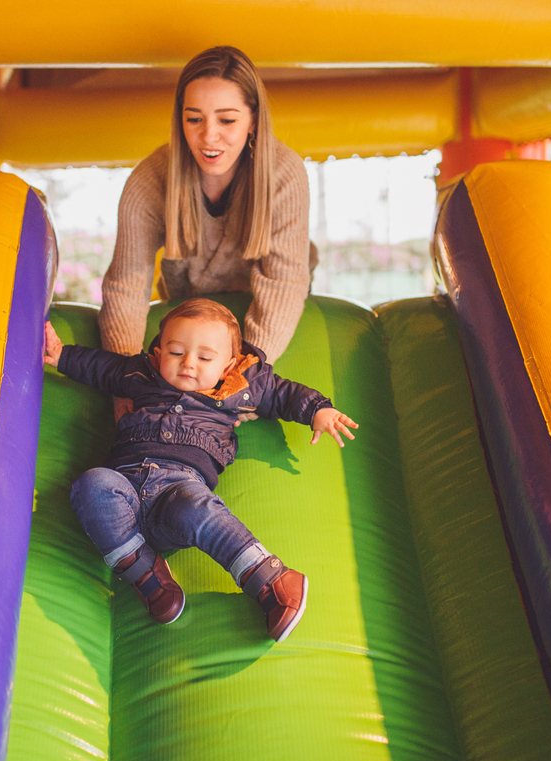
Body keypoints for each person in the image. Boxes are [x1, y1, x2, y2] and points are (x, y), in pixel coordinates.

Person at [43, 298, 358, 642]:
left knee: (197, 509)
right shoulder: (142, 373)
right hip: (125, 486)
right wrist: (61, 355)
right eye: (176, 352)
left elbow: (283, 394)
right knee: (92, 484)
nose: (188, 364)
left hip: (178, 491)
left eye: (204, 358)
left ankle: (268, 578)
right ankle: (146, 575)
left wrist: (318, 411)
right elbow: (103, 368)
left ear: (229, 365)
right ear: (160, 351)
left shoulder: (242, 386)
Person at [99, 46, 316, 422]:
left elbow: (283, 281)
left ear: (253, 121)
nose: (208, 137)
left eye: (227, 121)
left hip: (259, 308)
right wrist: (126, 381)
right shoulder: (150, 180)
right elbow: (127, 285)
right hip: (193, 307)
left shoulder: (283, 173)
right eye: (194, 119)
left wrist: (242, 373)